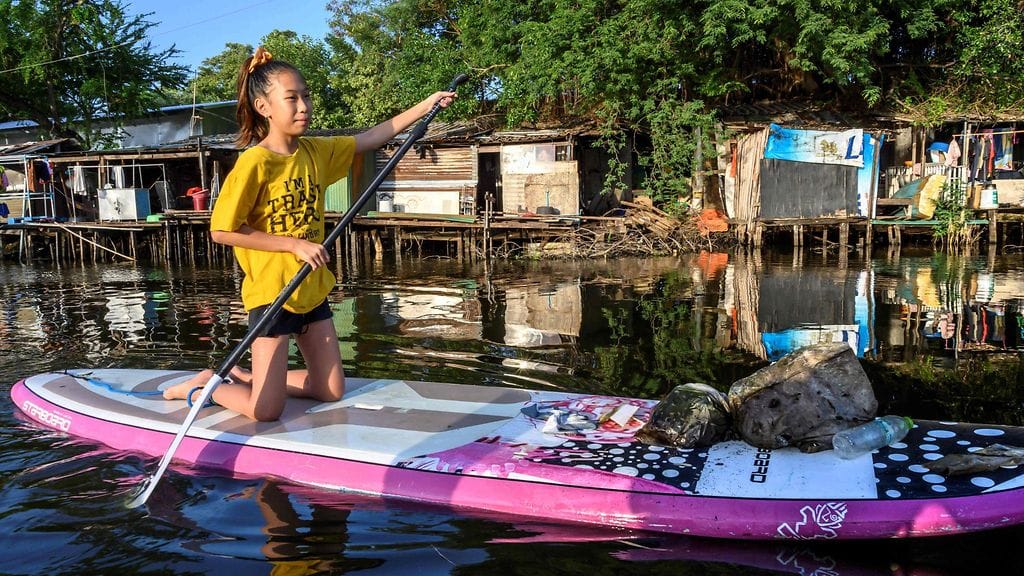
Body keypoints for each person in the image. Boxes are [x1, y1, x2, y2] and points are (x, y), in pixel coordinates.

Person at [163, 47, 456, 421]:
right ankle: (206, 386)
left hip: (311, 288)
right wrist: (293, 244)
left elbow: (370, 137)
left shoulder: (315, 151)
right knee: (266, 411)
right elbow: (222, 230)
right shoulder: (255, 162)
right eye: (292, 98)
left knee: (330, 390)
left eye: (306, 96)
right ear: (264, 107)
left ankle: (245, 376)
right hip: (273, 294)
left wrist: (426, 105)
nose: (304, 106)